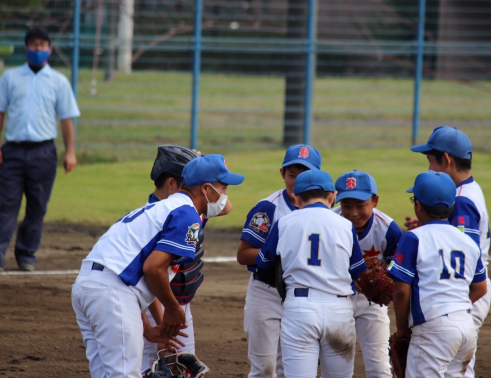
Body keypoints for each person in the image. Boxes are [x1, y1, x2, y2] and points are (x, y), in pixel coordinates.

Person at [71, 154, 244, 377]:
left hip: (89, 287)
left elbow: (127, 276)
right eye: (224, 187)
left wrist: (149, 328)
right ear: (206, 189)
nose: (225, 195)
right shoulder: (187, 215)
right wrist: (173, 309)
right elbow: (152, 268)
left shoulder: (162, 208)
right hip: (110, 292)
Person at [0, 27, 80, 272]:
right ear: (25, 48)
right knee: (7, 204)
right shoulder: (10, 78)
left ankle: (26, 256)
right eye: (33, 44)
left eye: (42, 45)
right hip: (13, 152)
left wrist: (70, 151)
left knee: (37, 206)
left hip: (44, 152)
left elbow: (66, 118)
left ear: (49, 50)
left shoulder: (59, 82)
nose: (38, 49)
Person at [255, 169, 367, 378]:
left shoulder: (284, 223)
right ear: (333, 196)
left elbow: (263, 265)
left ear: (297, 198)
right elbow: (358, 272)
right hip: (339, 311)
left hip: (299, 309)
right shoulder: (345, 225)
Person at [406, 126, 491, 377]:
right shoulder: (468, 191)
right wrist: (426, 227)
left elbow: (464, 249)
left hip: (462, 289)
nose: (429, 168)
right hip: (465, 286)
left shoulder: (462, 199)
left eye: (431, 161)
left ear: (447, 159)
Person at [141, 145, 232, 374]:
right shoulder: (156, 216)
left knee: (183, 370)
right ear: (173, 184)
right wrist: (163, 326)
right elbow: (147, 275)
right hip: (158, 306)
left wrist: (207, 166)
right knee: (149, 370)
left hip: (181, 309)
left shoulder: (194, 209)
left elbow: (226, 206)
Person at [387, 171, 488, 377]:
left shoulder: (414, 237)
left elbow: (401, 291)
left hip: (434, 330)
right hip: (466, 328)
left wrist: (402, 329)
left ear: (418, 205)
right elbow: (480, 288)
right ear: (451, 206)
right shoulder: (468, 241)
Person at [236, 144, 321, 378]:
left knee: (292, 369)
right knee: (265, 369)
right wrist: (280, 253)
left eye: (304, 175)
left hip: (301, 295)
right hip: (266, 292)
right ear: (282, 173)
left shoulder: (324, 212)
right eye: (292, 175)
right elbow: (243, 254)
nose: (296, 181)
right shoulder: (268, 208)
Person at [332, 170, 402, 378]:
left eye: (361, 206)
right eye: (346, 206)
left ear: (375, 201)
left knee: (379, 367)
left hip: (372, 303)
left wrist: (386, 279)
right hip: (337, 299)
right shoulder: (330, 222)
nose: (353, 213)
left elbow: (398, 270)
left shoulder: (388, 229)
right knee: (337, 367)